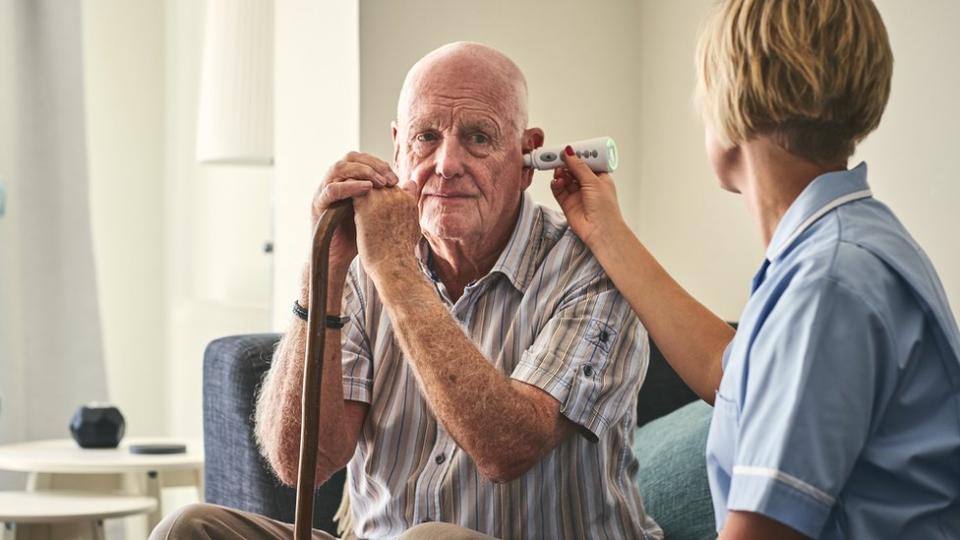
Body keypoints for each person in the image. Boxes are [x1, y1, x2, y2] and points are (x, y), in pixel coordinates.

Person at [150, 42, 662, 540]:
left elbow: (506, 449)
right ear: (397, 145)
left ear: (527, 155)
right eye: (426, 137)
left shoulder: (592, 272)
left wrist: (394, 269)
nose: (446, 163)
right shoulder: (363, 260)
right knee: (188, 528)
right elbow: (301, 461)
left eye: (479, 138)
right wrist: (322, 270)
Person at [551, 0, 960, 538]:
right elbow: (730, 375)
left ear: (731, 102)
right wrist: (606, 232)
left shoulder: (827, 284)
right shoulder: (847, 244)